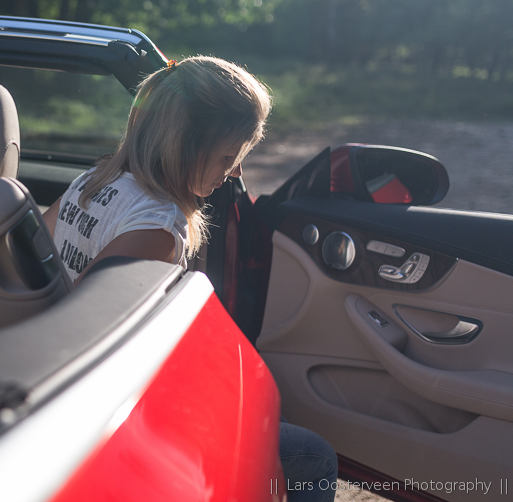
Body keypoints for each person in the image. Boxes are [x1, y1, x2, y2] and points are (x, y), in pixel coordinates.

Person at [42, 55, 338, 502]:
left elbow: (42, 254)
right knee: (313, 457)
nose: (235, 172)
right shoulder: (157, 230)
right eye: (227, 156)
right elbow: (86, 330)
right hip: (104, 407)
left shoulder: (93, 179)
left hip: (76, 385)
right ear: (186, 145)